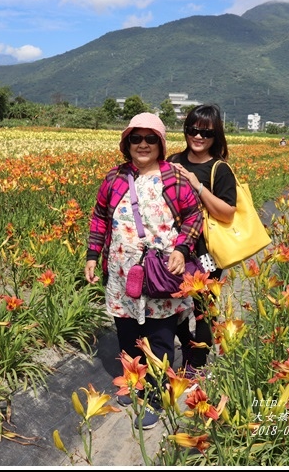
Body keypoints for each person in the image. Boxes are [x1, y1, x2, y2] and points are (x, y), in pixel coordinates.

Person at [84, 112, 203, 430]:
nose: (143, 144)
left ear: (161, 144)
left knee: (159, 337)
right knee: (126, 335)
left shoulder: (173, 178)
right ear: (126, 142)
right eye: (136, 138)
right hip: (122, 275)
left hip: (160, 274)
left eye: (151, 138)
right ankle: (133, 384)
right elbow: (99, 219)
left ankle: (155, 396)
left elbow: (194, 217)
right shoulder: (114, 178)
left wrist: (181, 249)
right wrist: (92, 255)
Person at [167, 104, 237, 382]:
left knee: (203, 306)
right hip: (175, 248)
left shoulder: (220, 169)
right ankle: (186, 344)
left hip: (207, 252)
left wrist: (197, 185)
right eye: (192, 130)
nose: (198, 137)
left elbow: (227, 212)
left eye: (205, 132)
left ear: (215, 134)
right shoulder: (172, 159)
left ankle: (198, 360)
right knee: (171, 303)